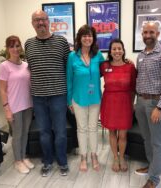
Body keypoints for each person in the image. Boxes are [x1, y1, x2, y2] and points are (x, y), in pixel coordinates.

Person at [24, 10, 70, 177]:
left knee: (60, 131)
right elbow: (31, 67)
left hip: (58, 95)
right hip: (38, 97)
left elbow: (68, 67)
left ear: (49, 21)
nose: (40, 23)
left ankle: (62, 162)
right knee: (44, 132)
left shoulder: (61, 42)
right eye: (36, 20)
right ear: (32, 23)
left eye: (43, 19)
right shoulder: (28, 44)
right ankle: (48, 161)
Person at [134, 22, 161, 188]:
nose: (147, 35)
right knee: (147, 138)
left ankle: (154, 179)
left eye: (151, 32)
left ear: (158, 34)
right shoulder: (141, 55)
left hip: (156, 103)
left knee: (157, 142)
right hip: (141, 101)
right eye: (145, 32)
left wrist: (160, 107)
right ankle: (152, 166)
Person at [66, 24, 105, 172]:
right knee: (81, 129)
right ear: (79, 38)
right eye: (84, 35)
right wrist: (69, 100)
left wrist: (126, 62)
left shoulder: (98, 55)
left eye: (90, 35)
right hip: (78, 99)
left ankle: (94, 155)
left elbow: (108, 69)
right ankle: (83, 157)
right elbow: (68, 79)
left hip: (95, 98)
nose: (87, 38)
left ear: (93, 38)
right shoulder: (72, 56)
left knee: (93, 128)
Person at [0, 35, 34, 174]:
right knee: (17, 134)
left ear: (21, 47)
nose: (15, 49)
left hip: (28, 105)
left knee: (25, 132)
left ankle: (24, 156)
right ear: (7, 49)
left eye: (17, 45)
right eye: (12, 46)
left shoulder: (26, 65)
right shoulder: (4, 66)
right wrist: (7, 109)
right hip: (14, 106)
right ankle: (17, 161)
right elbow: (2, 89)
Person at [100, 39, 136, 172]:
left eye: (119, 48)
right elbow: (90, 74)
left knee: (123, 135)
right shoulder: (104, 66)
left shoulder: (130, 66)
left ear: (123, 50)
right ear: (110, 51)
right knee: (112, 132)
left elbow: (133, 88)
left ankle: (122, 158)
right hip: (109, 102)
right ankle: (115, 157)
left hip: (125, 103)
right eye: (114, 49)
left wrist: (132, 104)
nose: (117, 51)